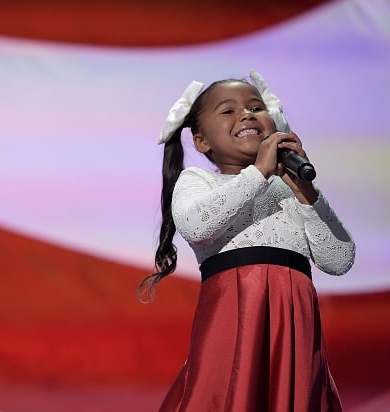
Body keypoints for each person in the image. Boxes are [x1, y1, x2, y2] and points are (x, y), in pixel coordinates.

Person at [139, 72, 356, 411]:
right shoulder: (197, 180)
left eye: (256, 107)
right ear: (201, 142)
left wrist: (307, 194)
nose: (247, 114)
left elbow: (338, 259)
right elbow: (197, 225)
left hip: (294, 325)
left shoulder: (290, 190)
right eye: (228, 111)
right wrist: (258, 173)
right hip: (236, 320)